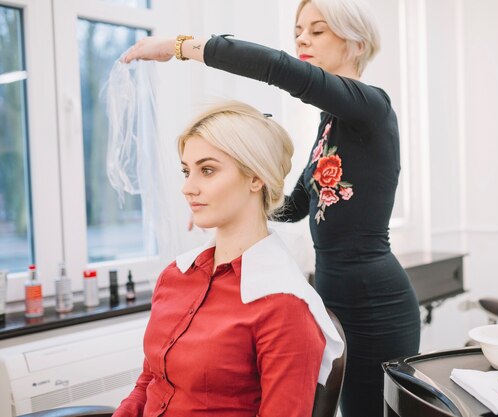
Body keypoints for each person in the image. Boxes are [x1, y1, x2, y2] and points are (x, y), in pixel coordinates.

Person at [123, 0, 421, 415]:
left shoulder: (371, 107)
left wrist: (180, 46)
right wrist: (228, 201)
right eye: (299, 29)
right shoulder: (330, 123)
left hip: (376, 302)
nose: (302, 38)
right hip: (333, 291)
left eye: (317, 30)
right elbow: (294, 205)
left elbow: (280, 69)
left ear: (356, 42)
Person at [112, 100, 344, 417]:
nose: (187, 187)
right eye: (186, 171)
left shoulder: (283, 308)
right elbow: (150, 380)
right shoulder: (175, 277)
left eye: (207, 170)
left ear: (255, 177)